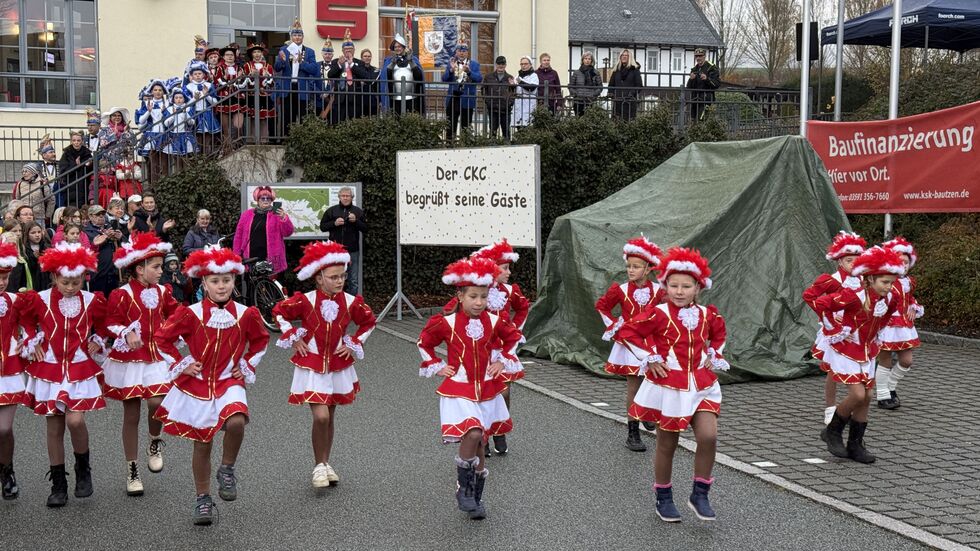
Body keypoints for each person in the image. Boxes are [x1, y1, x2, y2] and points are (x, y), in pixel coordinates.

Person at [153, 244, 270, 526]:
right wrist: (181, 363)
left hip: (229, 379)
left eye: (226, 280)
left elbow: (261, 340)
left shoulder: (246, 313)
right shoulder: (190, 313)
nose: (221, 286)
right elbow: (162, 339)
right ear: (204, 283)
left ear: (234, 281)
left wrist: (247, 365)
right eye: (215, 281)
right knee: (202, 443)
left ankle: (227, 468)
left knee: (237, 421)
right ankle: (202, 499)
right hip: (197, 383)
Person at [616, 247, 729, 522]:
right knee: (667, 444)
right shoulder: (659, 313)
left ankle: (700, 493)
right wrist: (649, 358)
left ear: (698, 288)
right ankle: (663, 497)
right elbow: (627, 332)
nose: (679, 291)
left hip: (701, 384)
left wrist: (715, 353)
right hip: (669, 386)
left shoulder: (706, 314)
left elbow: (719, 334)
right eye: (674, 285)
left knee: (709, 437)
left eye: (686, 286)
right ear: (665, 285)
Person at [417, 257, 523, 520]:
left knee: (480, 441)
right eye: (473, 296)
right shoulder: (447, 322)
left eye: (484, 297)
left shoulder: (495, 321)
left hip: (487, 389)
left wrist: (502, 360)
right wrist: (436, 365)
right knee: (473, 432)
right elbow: (424, 342)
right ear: (460, 295)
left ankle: (476, 496)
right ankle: (463, 487)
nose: (479, 302)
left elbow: (513, 339)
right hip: (459, 387)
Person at [273, 240, 376, 487]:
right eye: (333, 277)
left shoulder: (350, 301)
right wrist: (293, 338)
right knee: (320, 417)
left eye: (342, 276)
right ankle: (319, 465)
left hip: (338, 364)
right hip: (312, 363)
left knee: (329, 416)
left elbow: (369, 322)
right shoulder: (306, 300)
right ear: (319, 278)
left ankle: (325, 463)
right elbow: (279, 312)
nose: (339, 281)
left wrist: (352, 343)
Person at [19, 241, 108, 507]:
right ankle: (58, 482)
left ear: (83, 277)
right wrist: (32, 340)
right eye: (65, 282)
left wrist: (98, 338)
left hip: (79, 366)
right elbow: (25, 318)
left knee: (75, 421)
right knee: (54, 425)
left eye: (76, 282)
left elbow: (105, 324)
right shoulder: (41, 299)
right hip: (50, 367)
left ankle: (83, 469)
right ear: (55, 276)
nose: (70, 287)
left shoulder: (92, 300)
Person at [102, 232, 179, 496]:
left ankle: (155, 441)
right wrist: (126, 332)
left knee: (157, 403)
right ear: (139, 268)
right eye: (156, 267)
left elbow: (176, 314)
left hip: (157, 357)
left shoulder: (163, 291)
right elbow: (110, 322)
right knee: (131, 415)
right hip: (130, 361)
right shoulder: (121, 294)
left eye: (160, 266)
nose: (161, 271)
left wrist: (174, 330)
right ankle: (132, 469)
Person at [814, 247, 904, 464]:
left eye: (891, 282)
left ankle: (856, 444)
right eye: (884, 282)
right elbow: (820, 303)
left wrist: (877, 332)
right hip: (847, 349)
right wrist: (833, 328)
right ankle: (833, 431)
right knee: (857, 395)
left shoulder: (889, 298)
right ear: (870, 279)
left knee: (868, 397)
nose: (889, 287)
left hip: (867, 350)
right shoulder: (853, 296)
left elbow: (889, 312)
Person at [443, 240, 530, 456]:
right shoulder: (478, 290)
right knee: (484, 392)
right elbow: (450, 310)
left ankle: (498, 428)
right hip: (482, 350)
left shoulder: (510, 291)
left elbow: (523, 308)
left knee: (505, 390)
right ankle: (484, 436)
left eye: (509, 268)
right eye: (504, 268)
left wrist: (515, 329)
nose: (508, 272)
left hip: (503, 350)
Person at [595, 236, 666, 452]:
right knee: (633, 386)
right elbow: (602, 306)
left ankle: (647, 411)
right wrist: (616, 326)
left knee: (654, 381)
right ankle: (632, 432)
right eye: (628, 266)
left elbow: (666, 313)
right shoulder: (621, 289)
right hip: (629, 344)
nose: (631, 270)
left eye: (636, 266)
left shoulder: (659, 291)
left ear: (648, 268)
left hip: (652, 342)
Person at [802, 231, 866, 425]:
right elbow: (809, 296)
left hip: (856, 330)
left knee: (856, 368)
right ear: (839, 261)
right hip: (836, 331)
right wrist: (828, 318)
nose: (853, 263)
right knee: (833, 369)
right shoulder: (832, 280)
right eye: (849, 260)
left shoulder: (865, 280)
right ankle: (830, 407)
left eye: (857, 259)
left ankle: (852, 404)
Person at [875, 237, 924, 409]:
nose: (902, 265)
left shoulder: (909, 281)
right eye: (899, 261)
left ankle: (891, 386)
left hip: (903, 325)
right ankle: (882, 395)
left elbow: (909, 298)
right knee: (885, 361)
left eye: (905, 262)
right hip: (886, 325)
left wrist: (913, 306)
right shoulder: (883, 279)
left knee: (907, 360)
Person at [0, 242, 24, 499]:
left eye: (5, 277)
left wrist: (29, 342)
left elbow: (31, 325)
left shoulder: (16, 301)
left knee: (4, 429)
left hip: (9, 372)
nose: (2, 282)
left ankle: (7, 471)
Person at [233, 186, 294, 277]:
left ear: (271, 200)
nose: (266, 200)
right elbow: (238, 235)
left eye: (268, 198)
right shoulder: (247, 214)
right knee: (252, 287)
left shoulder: (277, 215)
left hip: (271, 257)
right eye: (263, 198)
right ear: (258, 200)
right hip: (251, 257)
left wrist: (283, 218)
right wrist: (236, 255)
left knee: (271, 287)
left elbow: (288, 232)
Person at [274, 19, 319, 138]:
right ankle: (285, 140)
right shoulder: (284, 50)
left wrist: (302, 62)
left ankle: (303, 142)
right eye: (295, 35)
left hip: (302, 89)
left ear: (303, 37)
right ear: (291, 36)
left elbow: (314, 69)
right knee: (287, 116)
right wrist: (282, 61)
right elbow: (277, 68)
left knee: (303, 116)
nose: (297, 37)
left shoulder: (309, 51)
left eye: (299, 35)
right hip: (287, 88)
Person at [319, 187, 365, 294]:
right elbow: (322, 227)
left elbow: (366, 228)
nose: (345, 198)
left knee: (353, 280)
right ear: (339, 197)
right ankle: (337, 303)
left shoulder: (357, 211)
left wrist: (356, 221)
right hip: (335, 251)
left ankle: (352, 305)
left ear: (351, 197)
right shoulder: (332, 211)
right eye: (343, 196)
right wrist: (334, 223)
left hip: (352, 251)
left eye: (347, 196)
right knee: (335, 278)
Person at [441, 39, 482, 140]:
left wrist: (469, 72)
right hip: (453, 98)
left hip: (467, 99)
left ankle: (465, 146)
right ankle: (449, 144)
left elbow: (479, 79)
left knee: (466, 126)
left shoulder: (474, 64)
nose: (461, 53)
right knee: (450, 125)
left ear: (467, 53)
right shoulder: (452, 63)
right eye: (459, 51)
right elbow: (444, 79)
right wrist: (450, 70)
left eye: (464, 51)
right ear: (456, 52)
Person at [327, 29, 369, 124]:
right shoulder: (336, 61)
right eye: (346, 50)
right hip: (340, 98)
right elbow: (330, 75)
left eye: (350, 49)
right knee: (338, 122)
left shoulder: (359, 63)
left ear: (354, 50)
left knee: (354, 123)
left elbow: (365, 76)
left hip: (355, 98)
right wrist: (338, 65)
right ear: (342, 50)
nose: (348, 51)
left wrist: (352, 64)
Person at [83, 205, 124, 297]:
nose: (101, 216)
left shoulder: (110, 227)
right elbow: (91, 246)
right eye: (98, 214)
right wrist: (105, 236)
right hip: (98, 274)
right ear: (90, 216)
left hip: (113, 272)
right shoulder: (86, 232)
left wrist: (120, 237)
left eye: (103, 214)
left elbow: (125, 245)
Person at [135, 79, 170, 185]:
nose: (158, 92)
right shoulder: (147, 103)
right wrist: (148, 112)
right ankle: (153, 186)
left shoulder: (168, 103)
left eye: (160, 90)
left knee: (164, 163)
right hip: (152, 135)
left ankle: (165, 186)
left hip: (164, 134)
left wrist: (165, 112)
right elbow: (141, 120)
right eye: (155, 90)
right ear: (152, 92)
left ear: (163, 92)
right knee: (153, 163)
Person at [380, 34, 425, 115]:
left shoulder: (413, 59)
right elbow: (386, 77)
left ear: (404, 47)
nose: (397, 48)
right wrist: (392, 64)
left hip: (411, 97)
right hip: (394, 98)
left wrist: (411, 62)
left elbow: (419, 76)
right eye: (395, 47)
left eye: (399, 46)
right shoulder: (389, 61)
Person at [241, 43, 276, 144]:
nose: (257, 54)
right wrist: (250, 75)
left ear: (262, 53)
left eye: (259, 52)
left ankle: (264, 140)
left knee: (264, 118)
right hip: (252, 95)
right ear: (252, 54)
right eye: (255, 52)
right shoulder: (247, 66)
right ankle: (253, 140)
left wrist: (268, 77)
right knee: (253, 118)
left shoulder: (268, 66)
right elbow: (243, 82)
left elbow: (272, 83)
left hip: (264, 95)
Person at [185, 62, 221, 155]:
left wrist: (206, 95)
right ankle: (199, 158)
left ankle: (206, 157)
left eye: (199, 74)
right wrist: (194, 99)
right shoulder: (188, 87)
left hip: (207, 113)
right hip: (195, 114)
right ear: (191, 75)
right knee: (197, 138)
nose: (197, 76)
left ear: (204, 74)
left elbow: (215, 102)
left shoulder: (209, 85)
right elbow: (185, 104)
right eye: (195, 74)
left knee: (207, 139)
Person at [215, 45, 244, 151]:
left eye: (231, 55)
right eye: (227, 55)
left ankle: (237, 146)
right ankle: (227, 148)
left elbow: (244, 83)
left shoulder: (239, 68)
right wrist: (225, 77)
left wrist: (239, 79)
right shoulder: (220, 68)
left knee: (238, 125)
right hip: (224, 97)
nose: (229, 57)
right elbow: (217, 83)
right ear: (223, 56)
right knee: (225, 127)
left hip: (237, 97)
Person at [482, 56, 515, 140]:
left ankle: (507, 150)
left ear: (505, 65)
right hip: (493, 109)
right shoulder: (488, 77)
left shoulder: (510, 77)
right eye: (499, 64)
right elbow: (483, 90)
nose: (501, 66)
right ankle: (491, 150)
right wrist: (488, 102)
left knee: (506, 133)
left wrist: (509, 103)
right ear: (496, 65)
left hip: (505, 109)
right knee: (492, 131)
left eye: (502, 64)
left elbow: (513, 92)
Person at [162, 86, 198, 165]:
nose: (178, 100)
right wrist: (174, 115)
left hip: (185, 135)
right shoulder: (169, 109)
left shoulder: (188, 108)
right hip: (174, 136)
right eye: (176, 98)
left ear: (184, 99)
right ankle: (179, 175)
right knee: (177, 159)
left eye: (181, 97)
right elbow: (166, 123)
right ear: (173, 99)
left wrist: (185, 114)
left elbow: (192, 122)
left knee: (187, 158)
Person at [58, 131, 93, 207]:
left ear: (82, 141)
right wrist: (76, 165)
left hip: (84, 186)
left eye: (78, 140)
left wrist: (89, 165)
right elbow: (63, 171)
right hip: (70, 186)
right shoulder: (66, 154)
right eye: (74, 140)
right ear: (71, 141)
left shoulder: (87, 153)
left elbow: (91, 171)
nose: (76, 142)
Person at [686, 48, 720, 123]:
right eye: (696, 56)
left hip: (706, 100)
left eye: (700, 56)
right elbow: (689, 87)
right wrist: (691, 79)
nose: (698, 58)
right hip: (695, 100)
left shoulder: (711, 68)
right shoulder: (694, 69)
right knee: (692, 122)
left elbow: (717, 84)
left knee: (701, 121)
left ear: (704, 56)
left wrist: (707, 79)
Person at [608, 49, 643, 121]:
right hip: (618, 101)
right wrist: (611, 93)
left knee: (628, 124)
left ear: (630, 57)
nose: (624, 57)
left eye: (626, 55)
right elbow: (611, 84)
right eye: (622, 55)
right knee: (616, 122)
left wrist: (631, 93)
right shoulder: (616, 70)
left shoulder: (635, 70)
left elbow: (639, 85)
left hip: (629, 101)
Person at [569, 51, 603, 116]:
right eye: (585, 58)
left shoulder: (596, 73)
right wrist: (576, 94)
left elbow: (600, 86)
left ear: (591, 61)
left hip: (590, 101)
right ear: (582, 60)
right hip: (578, 101)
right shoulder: (576, 73)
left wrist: (594, 94)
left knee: (589, 122)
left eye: (589, 59)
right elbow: (571, 86)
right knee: (578, 121)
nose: (587, 60)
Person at [21, 221, 50, 291]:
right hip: (32, 282)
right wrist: (33, 258)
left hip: (45, 282)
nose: (37, 235)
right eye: (33, 233)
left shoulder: (45, 246)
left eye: (39, 232)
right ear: (27, 234)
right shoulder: (24, 249)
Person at [511, 56, 539, 130]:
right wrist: (512, 85)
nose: (523, 66)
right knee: (519, 126)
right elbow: (515, 88)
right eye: (521, 64)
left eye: (525, 64)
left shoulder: (534, 75)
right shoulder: (518, 75)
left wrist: (521, 82)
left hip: (528, 102)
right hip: (519, 102)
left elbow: (532, 88)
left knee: (528, 125)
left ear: (530, 65)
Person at [316, 39, 336, 121]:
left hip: (331, 101)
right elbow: (311, 81)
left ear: (332, 55)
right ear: (322, 54)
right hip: (317, 100)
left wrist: (329, 92)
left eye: (329, 54)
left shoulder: (336, 66)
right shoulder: (316, 65)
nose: (327, 55)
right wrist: (320, 93)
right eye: (326, 54)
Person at [360, 48, 381, 117]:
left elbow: (378, 86)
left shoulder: (376, 70)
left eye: (369, 56)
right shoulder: (357, 69)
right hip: (360, 100)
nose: (367, 58)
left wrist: (379, 101)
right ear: (361, 58)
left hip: (372, 101)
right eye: (365, 56)